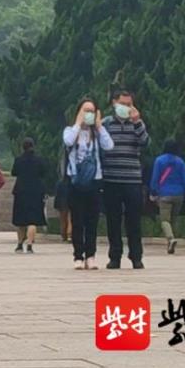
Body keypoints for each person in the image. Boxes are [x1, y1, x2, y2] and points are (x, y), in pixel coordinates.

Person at [101, 89, 150, 270]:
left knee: (134, 221)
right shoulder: (106, 124)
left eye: (129, 104)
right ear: (114, 103)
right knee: (113, 221)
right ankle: (115, 256)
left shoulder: (136, 124)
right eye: (123, 104)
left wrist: (137, 122)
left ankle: (136, 256)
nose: (126, 108)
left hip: (132, 180)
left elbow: (145, 142)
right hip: (111, 179)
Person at [64, 97, 114, 270]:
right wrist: (78, 123)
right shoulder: (70, 130)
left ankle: (91, 255)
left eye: (92, 111)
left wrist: (99, 126)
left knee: (92, 220)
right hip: (76, 181)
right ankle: (78, 255)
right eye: (85, 110)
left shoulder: (97, 133)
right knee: (77, 220)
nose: (88, 114)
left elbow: (109, 146)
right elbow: (68, 141)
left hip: (94, 180)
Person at [149, 139, 185, 255]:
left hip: (164, 194)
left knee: (165, 220)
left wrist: (153, 192)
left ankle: (170, 239)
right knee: (173, 219)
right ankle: (170, 245)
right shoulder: (180, 161)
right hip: (178, 195)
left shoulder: (159, 161)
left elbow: (155, 178)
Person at [11, 138, 48, 254]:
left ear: (23, 147)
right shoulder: (39, 160)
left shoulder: (19, 160)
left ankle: (19, 244)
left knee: (20, 219)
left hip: (21, 190)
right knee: (33, 220)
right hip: (36, 191)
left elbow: (14, 172)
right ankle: (30, 245)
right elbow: (44, 172)